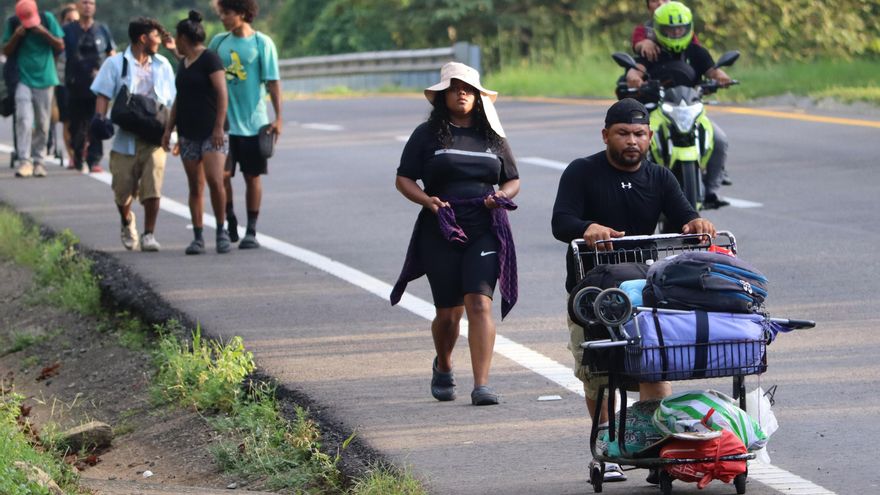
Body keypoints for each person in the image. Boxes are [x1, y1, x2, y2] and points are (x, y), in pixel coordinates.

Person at [551, 98, 716, 482]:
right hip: (592, 295)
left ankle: (658, 452)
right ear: (606, 134)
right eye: (623, 133)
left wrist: (696, 222)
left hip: (643, 290)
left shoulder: (659, 177)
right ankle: (608, 449)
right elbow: (561, 222)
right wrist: (587, 227)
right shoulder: (581, 172)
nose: (632, 141)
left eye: (639, 134)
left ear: (649, 137)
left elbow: (683, 215)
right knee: (599, 373)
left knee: (654, 365)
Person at [390, 62, 521, 406]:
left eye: (467, 88)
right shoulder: (427, 135)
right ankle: (444, 363)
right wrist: (427, 201)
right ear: (442, 96)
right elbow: (403, 178)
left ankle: (481, 385)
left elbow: (512, 179)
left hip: (485, 225)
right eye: (454, 88)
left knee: (478, 302)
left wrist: (501, 196)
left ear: (478, 96)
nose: (461, 92)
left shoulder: (493, 135)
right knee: (449, 312)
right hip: (442, 226)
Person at [626, 1, 732, 209]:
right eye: (670, 30)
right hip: (659, 109)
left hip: (691, 108)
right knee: (642, 142)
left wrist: (721, 77)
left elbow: (713, 71)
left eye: (680, 29)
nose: (675, 33)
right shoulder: (651, 50)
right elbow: (635, 70)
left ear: (688, 28)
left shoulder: (697, 51)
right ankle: (636, 189)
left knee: (719, 139)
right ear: (659, 29)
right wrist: (634, 78)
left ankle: (711, 190)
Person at [90, 17, 176, 252]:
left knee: (153, 184)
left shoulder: (164, 65)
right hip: (124, 139)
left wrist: (174, 132)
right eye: (156, 36)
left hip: (154, 138)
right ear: (143, 38)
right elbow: (102, 95)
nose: (159, 41)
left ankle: (149, 234)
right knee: (122, 191)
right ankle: (127, 220)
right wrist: (100, 120)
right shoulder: (116, 64)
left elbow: (173, 102)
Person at [208, 0, 281, 249]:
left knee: (252, 177)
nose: (223, 18)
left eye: (226, 13)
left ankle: (251, 229)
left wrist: (279, 117)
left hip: (254, 123)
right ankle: (229, 217)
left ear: (241, 13)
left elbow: (273, 82)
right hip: (225, 125)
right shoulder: (218, 42)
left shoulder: (262, 43)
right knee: (223, 175)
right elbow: (204, 71)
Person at [161, 11, 232, 255]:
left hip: (213, 133)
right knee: (195, 186)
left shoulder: (210, 59)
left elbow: (222, 93)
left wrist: (218, 127)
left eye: (178, 37)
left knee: (215, 180)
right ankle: (198, 237)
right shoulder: (184, 63)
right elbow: (180, 99)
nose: (176, 41)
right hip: (188, 132)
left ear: (184, 37)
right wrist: (169, 129)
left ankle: (221, 231)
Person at [2, 0, 65, 178]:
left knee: (43, 123)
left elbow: (60, 45)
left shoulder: (48, 19)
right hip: (23, 78)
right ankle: (24, 161)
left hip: (46, 78)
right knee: (23, 118)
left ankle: (39, 161)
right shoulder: (13, 23)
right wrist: (16, 35)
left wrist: (44, 33)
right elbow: (5, 51)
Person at [63, 0, 115, 173]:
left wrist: (109, 72)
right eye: (84, 2)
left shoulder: (102, 29)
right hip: (75, 86)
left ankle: (94, 159)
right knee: (76, 126)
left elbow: (111, 52)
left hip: (98, 87)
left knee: (97, 121)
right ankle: (78, 156)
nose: (87, 6)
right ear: (77, 5)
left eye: (91, 3)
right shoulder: (68, 30)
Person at [631, 0, 699, 62]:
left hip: (684, 70)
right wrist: (644, 43)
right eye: (654, 1)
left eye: (665, 0)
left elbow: (697, 51)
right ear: (648, 8)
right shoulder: (643, 29)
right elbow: (636, 45)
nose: (660, 3)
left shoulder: (685, 29)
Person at [55, 3, 78, 165]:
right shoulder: (57, 40)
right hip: (63, 83)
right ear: (62, 22)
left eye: (74, 20)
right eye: (68, 20)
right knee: (68, 121)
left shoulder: (86, 35)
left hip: (84, 84)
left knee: (84, 121)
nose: (71, 23)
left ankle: (83, 152)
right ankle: (72, 156)